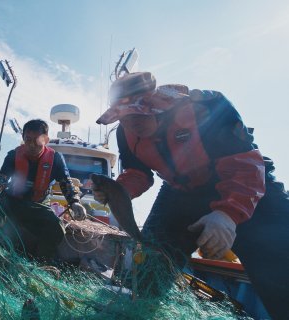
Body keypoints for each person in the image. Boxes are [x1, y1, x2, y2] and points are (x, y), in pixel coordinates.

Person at [94, 72, 289, 319]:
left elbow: (244, 165)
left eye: (139, 113)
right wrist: (118, 191)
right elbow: (137, 172)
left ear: (156, 103)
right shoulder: (125, 132)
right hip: (180, 191)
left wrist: (227, 213)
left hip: (246, 184)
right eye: (124, 117)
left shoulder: (207, 106)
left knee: (281, 264)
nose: (132, 123)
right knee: (151, 266)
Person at [0, 119, 87, 261]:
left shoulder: (56, 159)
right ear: (23, 138)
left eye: (37, 140)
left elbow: (66, 183)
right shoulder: (13, 156)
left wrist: (75, 202)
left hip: (37, 206)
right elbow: (1, 179)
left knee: (57, 229)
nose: (32, 144)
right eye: (28, 139)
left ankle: (39, 263)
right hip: (12, 203)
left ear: (46, 139)